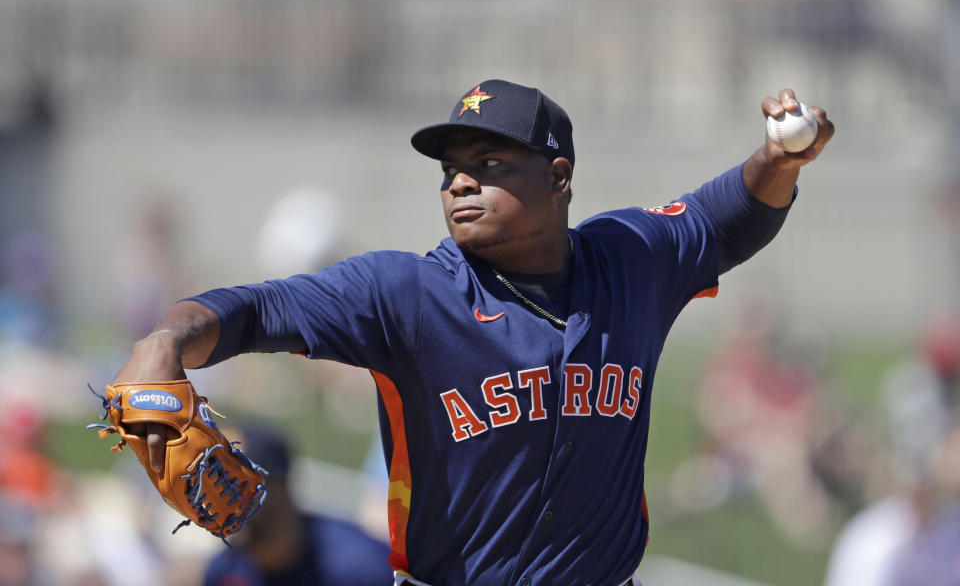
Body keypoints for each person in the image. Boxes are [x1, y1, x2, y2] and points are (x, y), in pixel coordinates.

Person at [111, 80, 834, 586]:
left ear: (558, 177)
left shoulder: (632, 259)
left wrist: (781, 158)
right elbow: (254, 310)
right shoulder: (406, 293)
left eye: (488, 164)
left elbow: (728, 217)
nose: (460, 183)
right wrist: (163, 344)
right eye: (451, 170)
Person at [203, 426, 393, 586]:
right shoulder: (225, 570)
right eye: (219, 487)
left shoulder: (360, 567)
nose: (227, 502)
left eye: (239, 486)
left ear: (282, 487)